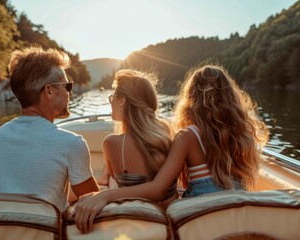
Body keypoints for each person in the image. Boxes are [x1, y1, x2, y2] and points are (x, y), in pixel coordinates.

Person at [73, 64, 269, 233]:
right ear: (231, 98)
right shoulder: (244, 139)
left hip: (200, 219)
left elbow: (158, 188)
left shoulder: (187, 137)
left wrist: (105, 194)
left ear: (190, 99)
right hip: (237, 218)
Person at [0, 46, 99, 211]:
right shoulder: (71, 144)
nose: (70, 94)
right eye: (67, 86)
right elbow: (92, 202)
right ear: (49, 91)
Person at [96, 69, 176, 206]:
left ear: (122, 100)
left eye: (112, 97)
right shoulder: (165, 132)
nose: (110, 102)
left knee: (108, 179)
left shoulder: (111, 143)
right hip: (167, 212)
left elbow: (114, 177)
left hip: (135, 216)